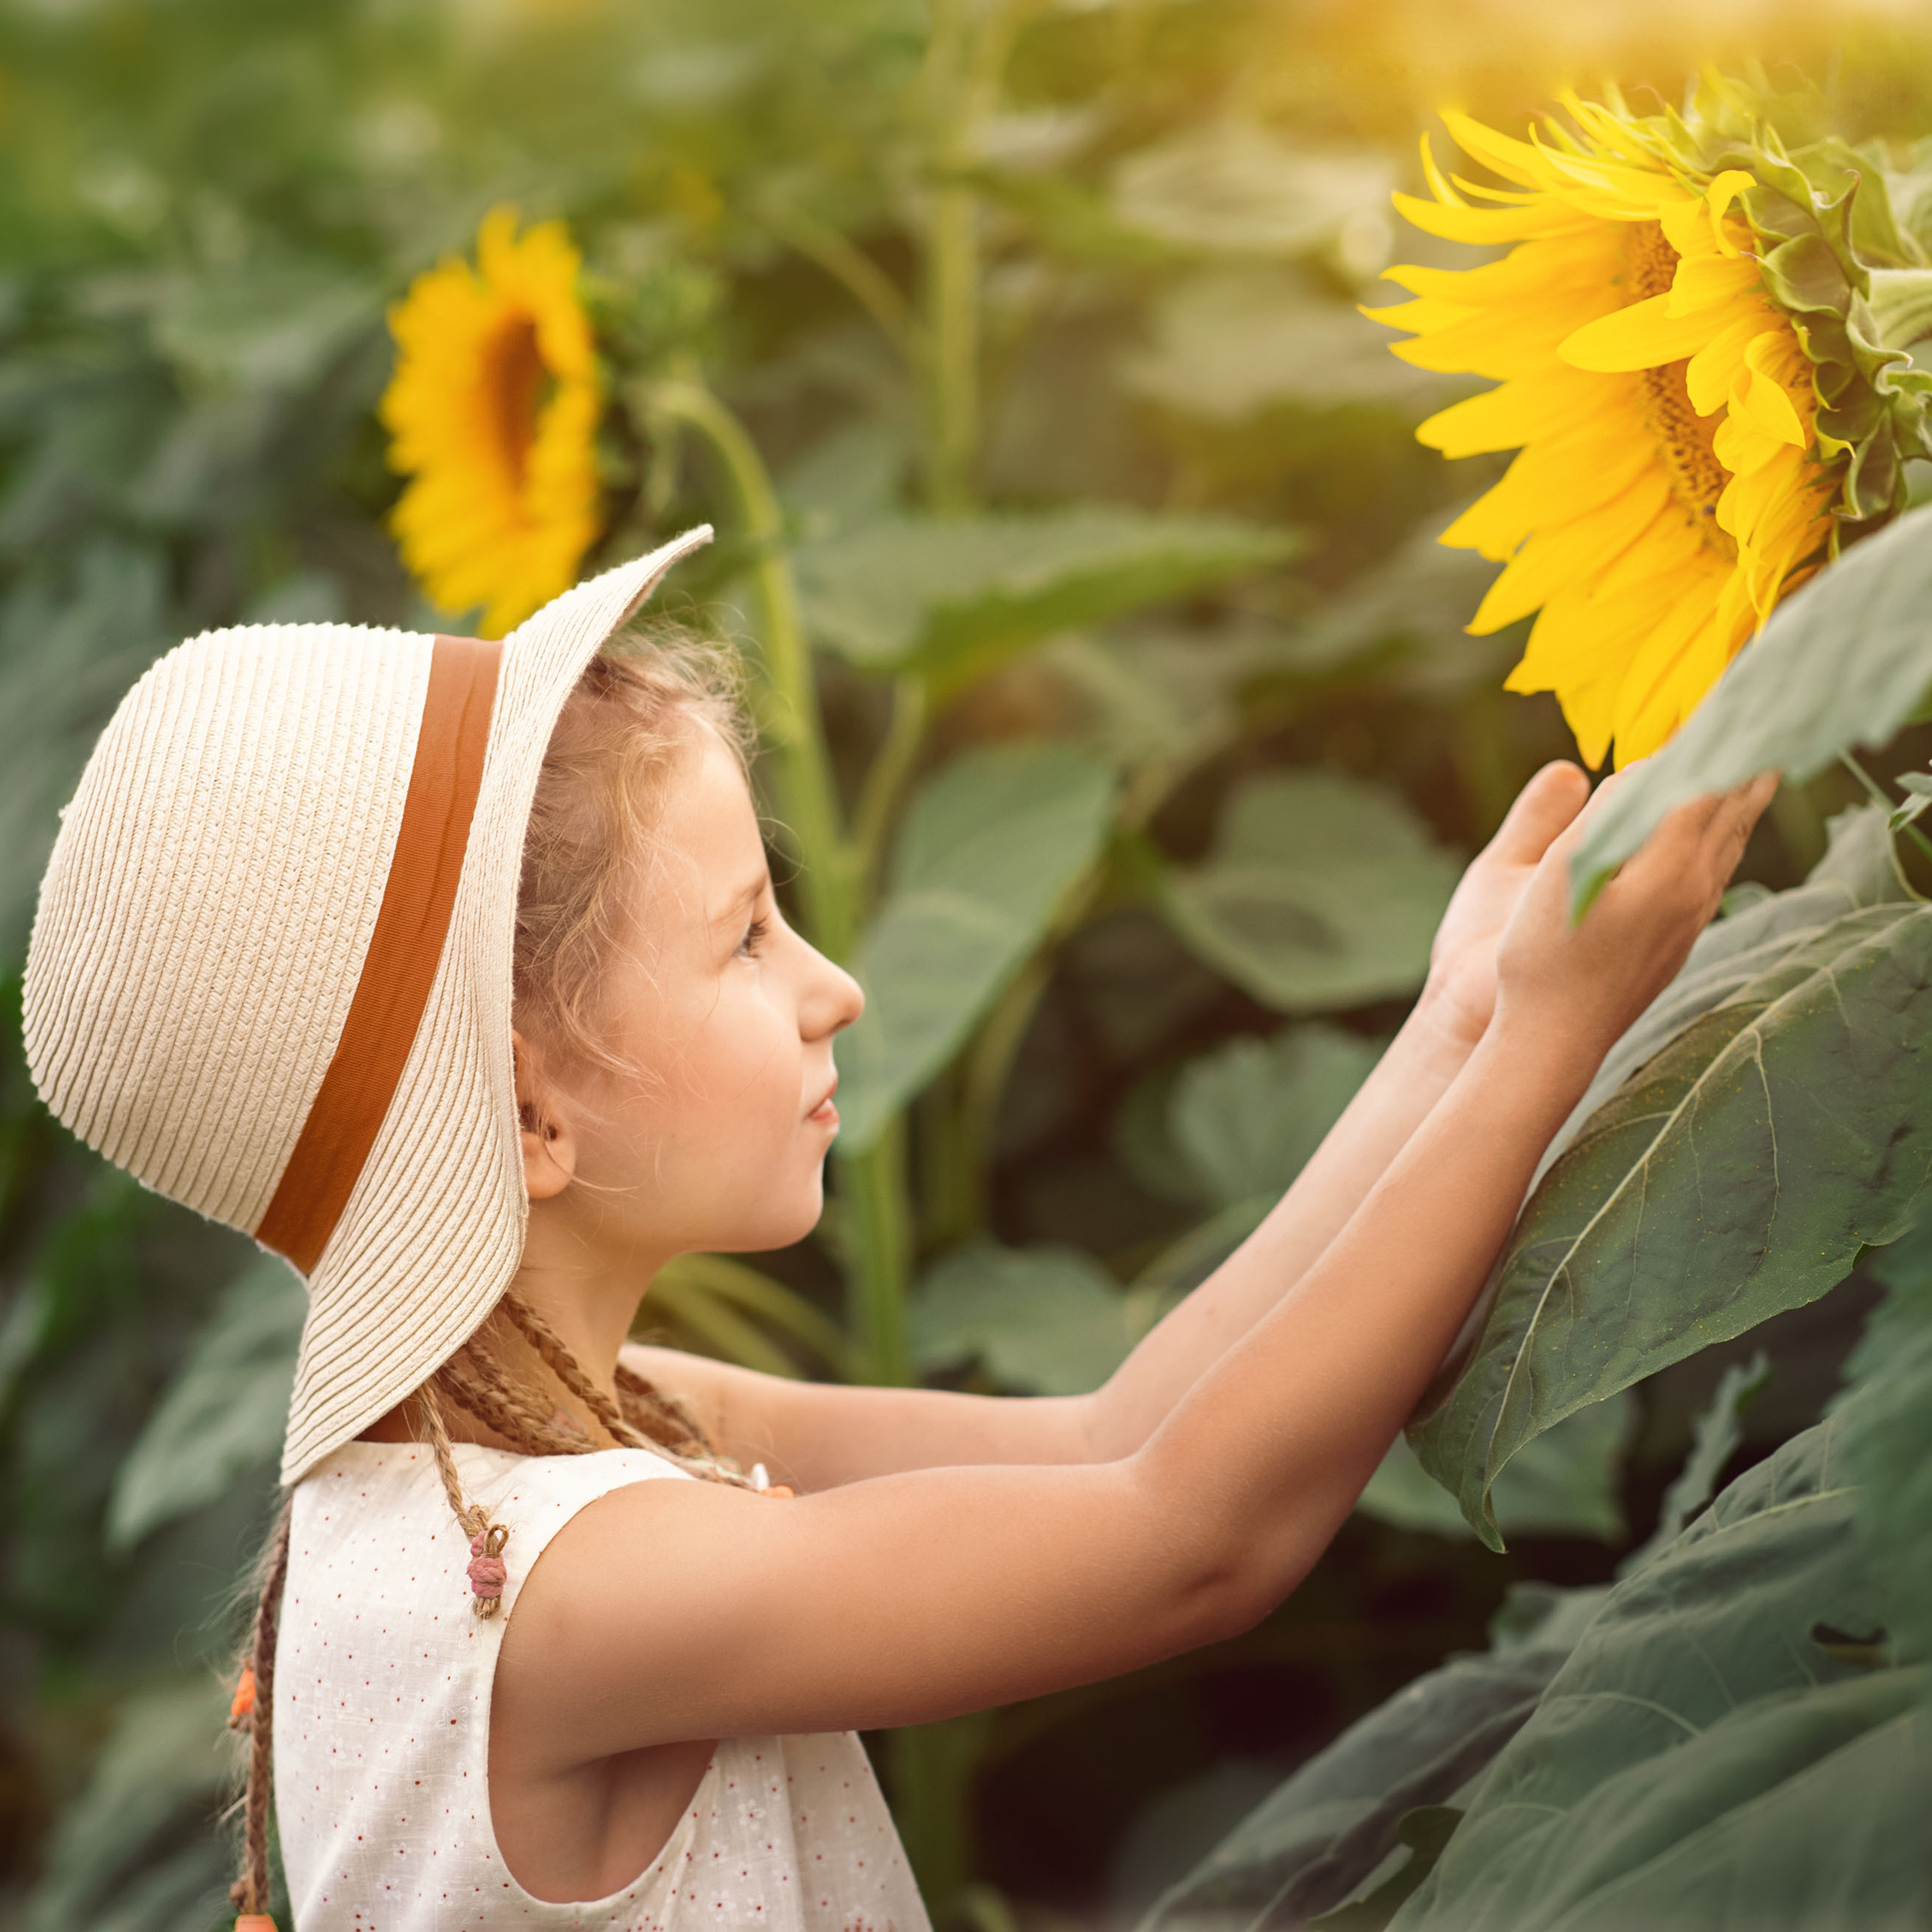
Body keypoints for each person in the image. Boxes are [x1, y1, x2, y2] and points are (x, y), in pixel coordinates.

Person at [21, 529, 1774, 1932]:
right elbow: (1193, 1538)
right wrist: (1550, 1039)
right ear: (530, 1110)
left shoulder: (569, 1429)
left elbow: (1121, 1436)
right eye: (743, 937)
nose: (836, 988)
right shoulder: (565, 1586)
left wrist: (1463, 1018)